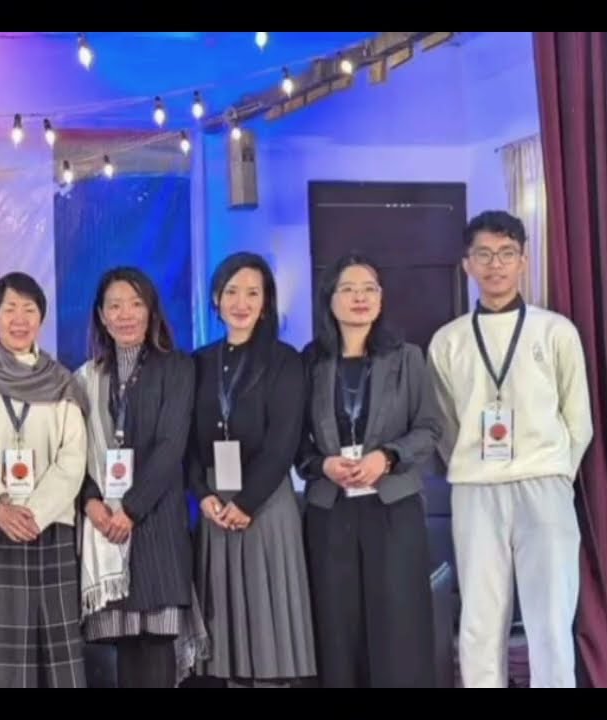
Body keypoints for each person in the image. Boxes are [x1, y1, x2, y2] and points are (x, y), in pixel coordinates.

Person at [427, 210, 593, 688]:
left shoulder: (555, 331)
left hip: (544, 483)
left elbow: (577, 419)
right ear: (467, 264)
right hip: (475, 488)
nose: (494, 264)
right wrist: (474, 463)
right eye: (483, 254)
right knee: (480, 620)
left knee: (550, 618)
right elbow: (445, 424)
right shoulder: (448, 341)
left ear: (523, 260)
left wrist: (556, 472)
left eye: (505, 254)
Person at [295, 253, 443, 688]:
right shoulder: (310, 362)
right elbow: (295, 440)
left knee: (398, 627)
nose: (360, 297)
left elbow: (429, 428)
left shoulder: (408, 357)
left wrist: (388, 457)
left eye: (369, 289)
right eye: (348, 289)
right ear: (330, 299)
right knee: (337, 629)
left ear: (381, 299)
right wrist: (322, 464)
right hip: (330, 510)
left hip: (393, 507)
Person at [0, 271, 89, 688]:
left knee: (56, 654)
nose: (19, 319)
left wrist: (33, 513)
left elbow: (72, 459)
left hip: (47, 529)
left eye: (29, 309)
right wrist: (0, 506)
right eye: (9, 308)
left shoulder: (63, 382)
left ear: (41, 319)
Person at [73, 267, 208, 688]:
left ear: (151, 311)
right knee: (125, 652)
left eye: (135, 304)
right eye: (114, 306)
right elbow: (74, 452)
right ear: (101, 316)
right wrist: (92, 503)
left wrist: (130, 510)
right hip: (105, 527)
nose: (125, 314)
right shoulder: (86, 377)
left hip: (157, 523)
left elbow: (171, 445)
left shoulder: (177, 367)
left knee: (156, 648)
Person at [186, 251, 316, 687]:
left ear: (265, 303)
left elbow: (283, 442)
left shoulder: (285, 360)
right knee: (228, 641)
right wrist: (202, 493)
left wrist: (245, 502)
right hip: (215, 509)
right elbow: (187, 442)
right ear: (216, 298)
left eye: (253, 293)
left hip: (265, 505)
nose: (241, 303)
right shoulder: (198, 362)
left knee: (268, 633)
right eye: (232, 292)